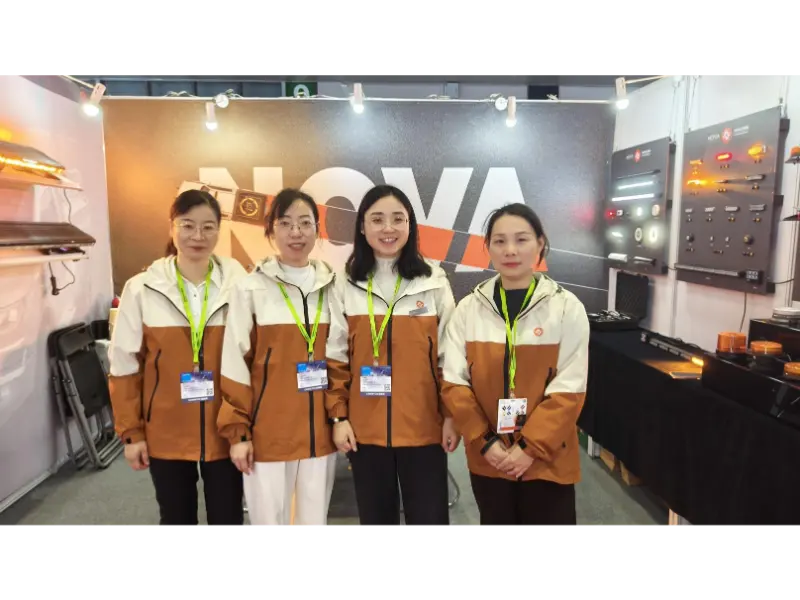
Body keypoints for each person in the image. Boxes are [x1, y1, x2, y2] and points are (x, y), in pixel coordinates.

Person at [441, 202, 589, 528]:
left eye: (521, 239)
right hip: (489, 458)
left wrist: (529, 448)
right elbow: (454, 382)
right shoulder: (469, 309)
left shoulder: (566, 308)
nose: (510, 250)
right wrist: (485, 442)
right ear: (487, 247)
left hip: (548, 458)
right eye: (499, 241)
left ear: (540, 243)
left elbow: (570, 389)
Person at [108, 189, 248, 528]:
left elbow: (250, 359)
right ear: (172, 227)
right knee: (175, 518)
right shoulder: (142, 288)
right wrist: (132, 433)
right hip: (165, 430)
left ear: (219, 230)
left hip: (225, 429)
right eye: (187, 225)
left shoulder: (241, 286)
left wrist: (244, 430)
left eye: (208, 227)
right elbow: (124, 365)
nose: (197, 236)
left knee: (228, 518)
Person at [325, 184, 459, 529]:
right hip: (365, 431)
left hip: (424, 429)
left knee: (429, 520)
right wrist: (339, 418)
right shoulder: (344, 283)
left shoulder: (433, 281)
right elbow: (335, 356)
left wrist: (450, 416)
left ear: (410, 225)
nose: (388, 228)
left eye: (398, 219)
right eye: (377, 219)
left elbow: (451, 357)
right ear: (362, 227)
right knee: (376, 519)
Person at [218, 188, 338, 527]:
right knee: (269, 520)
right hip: (267, 432)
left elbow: (342, 360)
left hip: (319, 433)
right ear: (270, 230)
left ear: (317, 229)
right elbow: (234, 366)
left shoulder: (334, 286)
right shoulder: (250, 288)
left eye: (304, 223)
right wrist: (239, 434)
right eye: (285, 223)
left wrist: (341, 417)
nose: (296, 232)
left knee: (314, 521)